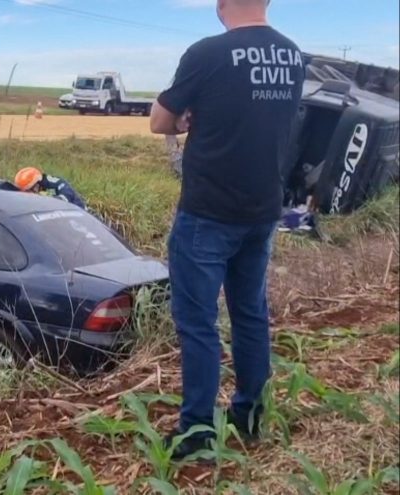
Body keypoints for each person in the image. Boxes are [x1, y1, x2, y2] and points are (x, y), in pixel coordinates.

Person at [149, 0, 304, 458]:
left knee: (198, 323)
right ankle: (250, 416)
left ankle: (197, 432)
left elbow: (159, 120)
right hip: (262, 211)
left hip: (208, 213)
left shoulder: (208, 53)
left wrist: (182, 117)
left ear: (222, 4)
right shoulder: (293, 55)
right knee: (250, 313)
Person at [13, 167, 86, 209]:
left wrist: (48, 200)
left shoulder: (55, 183)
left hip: (78, 212)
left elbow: (67, 196)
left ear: (37, 184)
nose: (29, 194)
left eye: (29, 190)